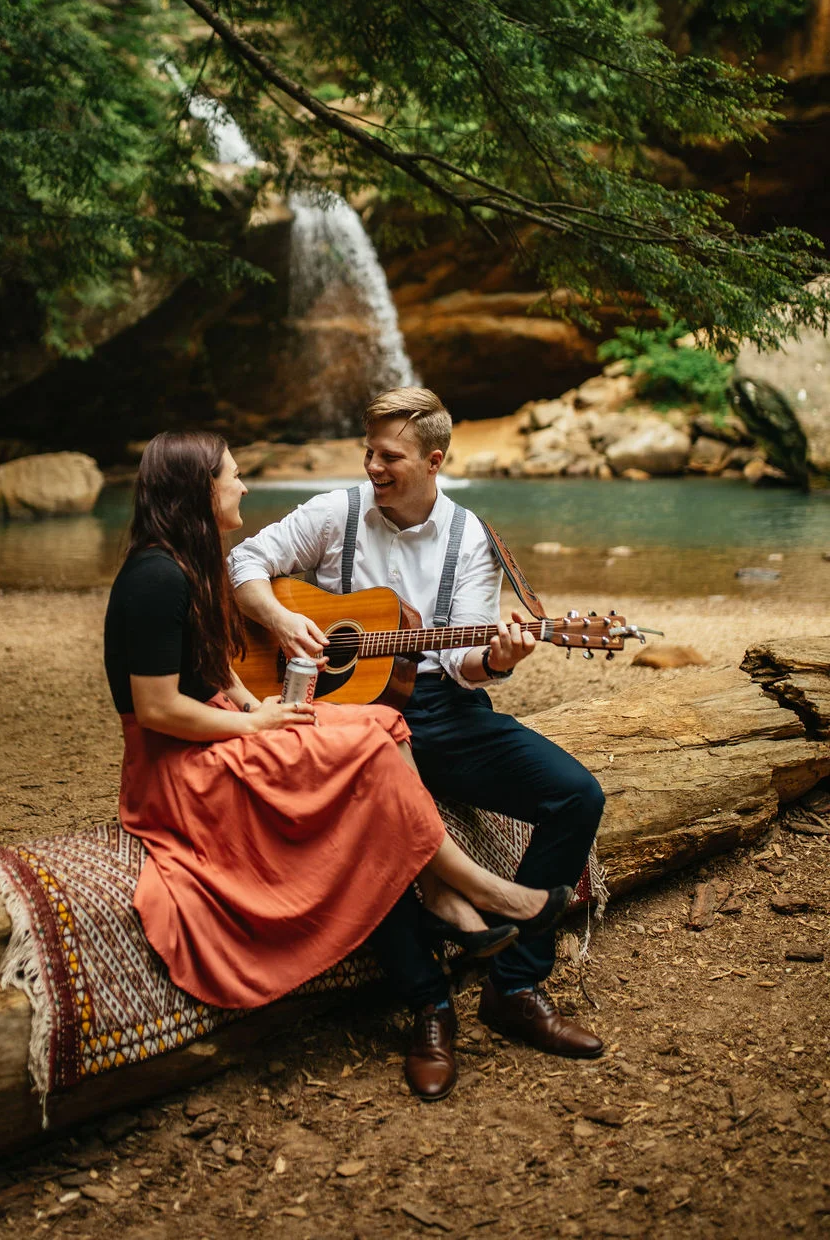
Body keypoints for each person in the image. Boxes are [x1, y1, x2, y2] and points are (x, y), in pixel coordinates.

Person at [104, 429, 563, 1036]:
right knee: (369, 756)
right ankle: (483, 894)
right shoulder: (155, 577)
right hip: (180, 763)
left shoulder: (190, 564)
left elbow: (209, 669)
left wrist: (252, 703)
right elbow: (158, 709)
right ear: (199, 490)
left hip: (218, 727)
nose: (243, 485)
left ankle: (449, 902)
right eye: (233, 476)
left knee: (386, 721)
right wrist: (257, 722)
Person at [229, 388, 606, 1095]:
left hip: (441, 710)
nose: (372, 465)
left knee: (576, 795)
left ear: (434, 461)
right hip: (344, 716)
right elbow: (243, 564)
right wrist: (280, 623)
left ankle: (514, 987)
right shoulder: (336, 513)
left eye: (389, 456)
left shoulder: (472, 540)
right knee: (357, 836)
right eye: (368, 450)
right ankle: (428, 1005)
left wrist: (500, 658)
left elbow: (465, 664)